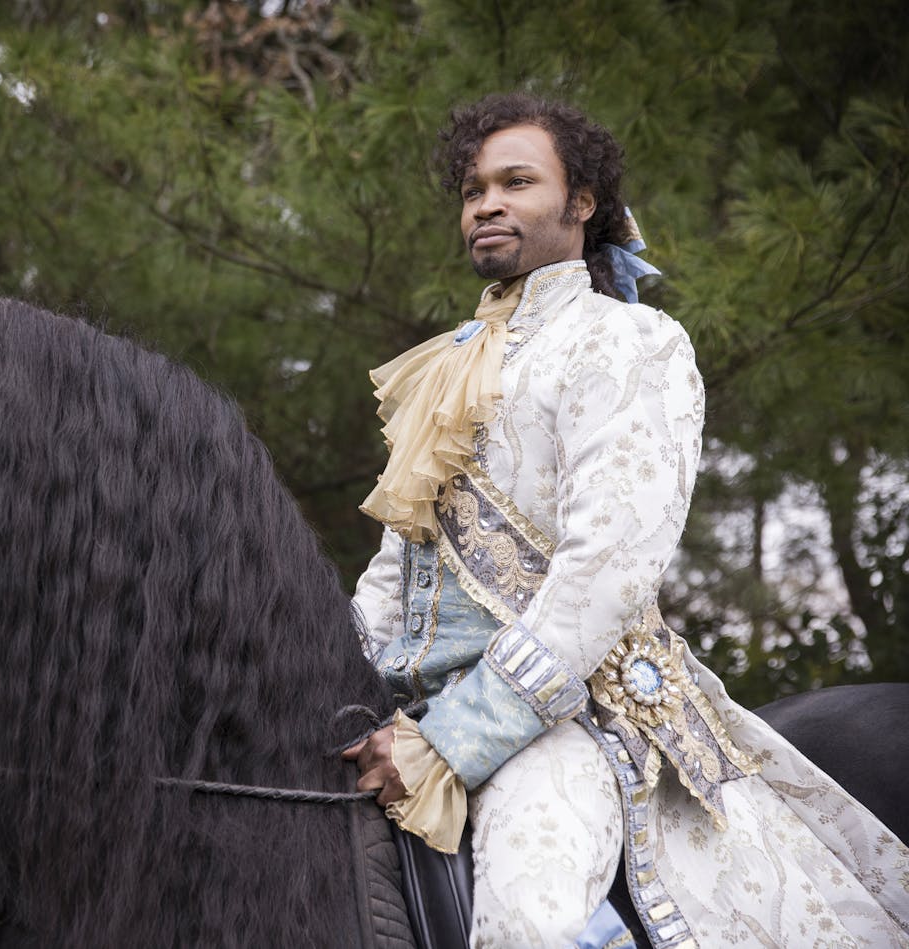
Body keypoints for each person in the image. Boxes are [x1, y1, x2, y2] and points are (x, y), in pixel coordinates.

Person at [341, 93, 909, 948]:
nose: (486, 202)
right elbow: (398, 567)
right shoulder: (451, 361)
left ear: (581, 204)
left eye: (516, 181)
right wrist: (333, 688)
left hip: (563, 722)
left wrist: (454, 740)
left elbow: (605, 576)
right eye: (472, 188)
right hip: (408, 712)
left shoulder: (631, 343)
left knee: (525, 922)